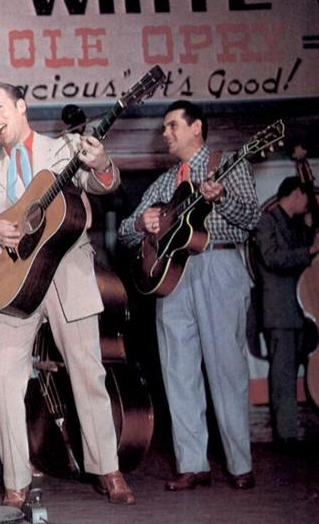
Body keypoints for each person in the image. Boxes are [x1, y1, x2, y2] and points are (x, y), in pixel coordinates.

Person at [0, 82, 134, 509]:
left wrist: (102, 163)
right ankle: (15, 481)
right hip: (12, 284)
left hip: (68, 272)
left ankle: (107, 468)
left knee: (88, 372)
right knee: (3, 379)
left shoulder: (65, 149)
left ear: (21, 106)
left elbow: (103, 184)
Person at [117, 100, 260, 490]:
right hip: (172, 277)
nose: (165, 133)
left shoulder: (228, 164)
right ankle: (192, 463)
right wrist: (142, 223)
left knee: (226, 369)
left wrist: (222, 198)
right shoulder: (166, 182)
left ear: (196, 128)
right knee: (177, 371)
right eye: (164, 127)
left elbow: (252, 218)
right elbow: (126, 232)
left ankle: (240, 464)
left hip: (218, 265)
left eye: (172, 125)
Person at [253, 176, 319, 447]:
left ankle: (292, 431)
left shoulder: (296, 225)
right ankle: (286, 436)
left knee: (294, 371)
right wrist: (310, 248)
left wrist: (309, 233)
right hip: (281, 312)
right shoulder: (266, 222)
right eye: (306, 198)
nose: (307, 204)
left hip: (303, 311)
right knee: (283, 374)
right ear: (295, 193)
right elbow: (272, 258)